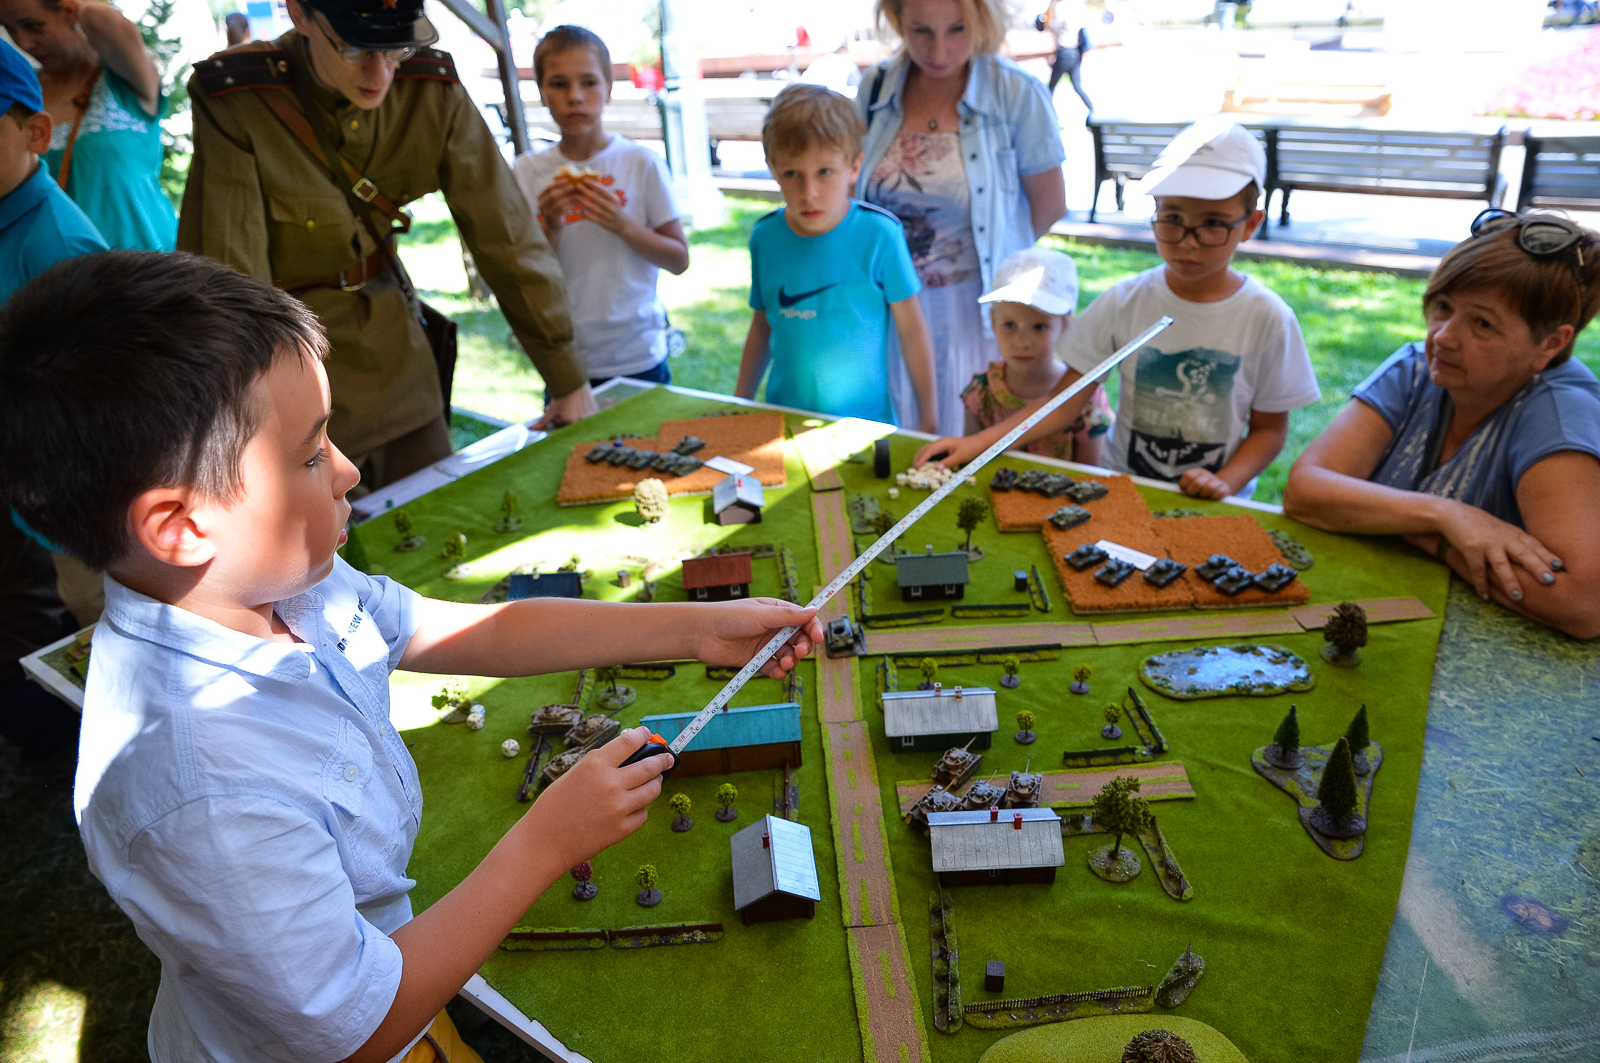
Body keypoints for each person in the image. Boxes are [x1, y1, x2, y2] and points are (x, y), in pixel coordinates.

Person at [0, 250, 824, 1062]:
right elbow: (356, 1031)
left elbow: (475, 631)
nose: (350, 470)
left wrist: (690, 630)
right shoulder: (201, 795)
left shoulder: (276, 583)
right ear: (180, 526)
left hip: (395, 987)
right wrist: (546, 840)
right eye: (313, 453)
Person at [179, 0, 597, 493]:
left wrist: (567, 378)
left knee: (438, 527)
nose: (381, 72)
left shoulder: (429, 86)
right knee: (322, 562)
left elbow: (505, 236)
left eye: (396, 47)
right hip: (293, 384)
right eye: (355, 47)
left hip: (401, 370)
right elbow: (233, 283)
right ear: (300, 13)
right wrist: (248, 427)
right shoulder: (242, 98)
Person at [916, 117, 1320, 501]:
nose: (1188, 241)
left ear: (1250, 224)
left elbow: (1270, 430)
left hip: (1214, 503)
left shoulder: (1268, 318)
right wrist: (975, 444)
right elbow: (1064, 402)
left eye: (1213, 223)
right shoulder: (1125, 301)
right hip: (1122, 489)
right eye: (1172, 218)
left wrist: (1224, 482)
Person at [1284, 210, 1600, 639]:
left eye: (1482, 323)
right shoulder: (1416, 368)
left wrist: (1431, 540)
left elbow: (1583, 605)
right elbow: (1306, 490)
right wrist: (1446, 516)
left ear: (1551, 343)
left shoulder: (1559, 413)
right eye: (1443, 307)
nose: (1443, 337)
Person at [856, 0, 1068, 435]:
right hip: (886, 308)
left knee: (964, 440)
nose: (938, 52)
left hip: (975, 310)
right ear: (896, 19)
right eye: (921, 32)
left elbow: (1048, 206)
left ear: (982, 22)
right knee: (889, 441)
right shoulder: (876, 88)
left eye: (956, 30)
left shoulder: (1017, 94)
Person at [0, 38, 106, 761]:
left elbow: (103, 407)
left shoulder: (58, 243)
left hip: (67, 528)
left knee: (76, 684)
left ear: (35, 132)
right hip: (23, 512)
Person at [737, 83, 938, 430]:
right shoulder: (765, 237)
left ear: (854, 167)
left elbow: (913, 332)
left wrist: (929, 418)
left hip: (865, 427)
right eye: (792, 174)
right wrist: (739, 403)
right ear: (772, 169)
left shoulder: (881, 236)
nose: (809, 192)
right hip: (783, 421)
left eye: (825, 172)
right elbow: (761, 326)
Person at [514, 25, 688, 390]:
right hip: (567, 356)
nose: (575, 96)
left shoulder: (641, 163)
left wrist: (623, 224)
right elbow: (524, 273)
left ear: (609, 88)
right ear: (542, 93)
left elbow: (678, 259)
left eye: (589, 82)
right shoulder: (529, 171)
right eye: (559, 84)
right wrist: (551, 225)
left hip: (638, 351)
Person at [0, 0, 176, 252]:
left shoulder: (127, 81)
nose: (23, 43)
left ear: (71, 11)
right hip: (58, 273)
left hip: (151, 271)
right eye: (9, 28)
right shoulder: (20, 94)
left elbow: (100, 17)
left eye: (33, 26)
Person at [961, 246, 1111, 465]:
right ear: (993, 321)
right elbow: (967, 460)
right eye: (1010, 325)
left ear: (1066, 326)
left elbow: (1089, 476)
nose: (1022, 342)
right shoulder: (979, 392)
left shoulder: (1086, 397)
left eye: (1039, 327)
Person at [1040, 0, 1093, 112]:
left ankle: (1047, 117)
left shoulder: (1060, 7)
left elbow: (1051, 26)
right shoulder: (1076, 5)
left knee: (1051, 87)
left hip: (1065, 52)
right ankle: (1093, 111)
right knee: (1077, 86)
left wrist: (1050, 9)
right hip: (1076, 52)